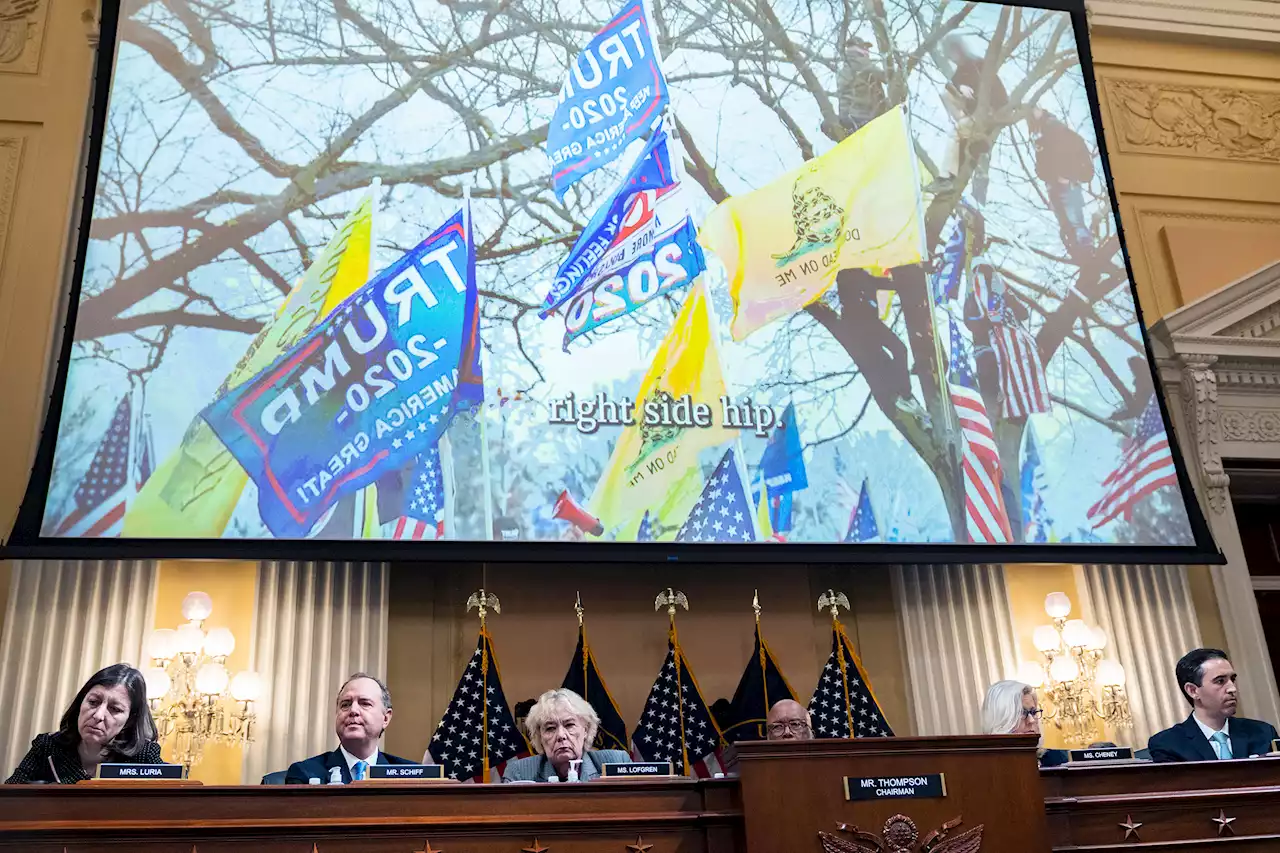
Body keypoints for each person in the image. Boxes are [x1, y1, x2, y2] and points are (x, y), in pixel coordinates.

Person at [6, 663, 163, 784]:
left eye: (114, 709)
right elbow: (9, 799)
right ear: (81, 703)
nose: (98, 715)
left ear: (129, 720)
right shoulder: (47, 746)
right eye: (93, 702)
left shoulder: (143, 756)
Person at [1148, 649, 1279, 763]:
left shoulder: (1263, 733)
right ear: (1193, 691)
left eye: (1232, 680)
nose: (1232, 688)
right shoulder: (1168, 744)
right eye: (1220, 681)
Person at [283, 673, 414, 784]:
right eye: (345, 704)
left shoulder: (411, 776)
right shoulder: (304, 774)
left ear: (385, 718)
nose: (353, 710)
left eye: (365, 703)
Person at [501, 688, 631, 782]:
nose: (561, 735)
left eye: (569, 725)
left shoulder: (616, 761)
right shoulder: (520, 773)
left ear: (585, 730)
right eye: (550, 728)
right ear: (540, 737)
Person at [1029, 107, 1094, 254]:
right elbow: (1041, 168)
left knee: (1075, 223)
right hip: (1054, 186)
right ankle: (1080, 252)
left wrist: (1067, 176)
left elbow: (1084, 166)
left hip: (1067, 185)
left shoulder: (1063, 134)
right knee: (1068, 225)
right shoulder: (1042, 140)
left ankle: (1087, 251)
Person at [981, 680, 1067, 767]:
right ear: (1001, 719)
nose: (1031, 720)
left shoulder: (1058, 759)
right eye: (1022, 713)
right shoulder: (982, 765)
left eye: (1033, 712)